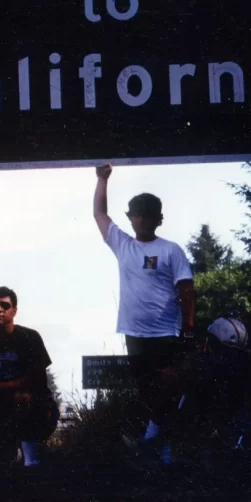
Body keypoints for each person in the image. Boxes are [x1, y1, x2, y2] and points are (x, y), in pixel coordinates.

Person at [93, 163, 196, 462]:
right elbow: (100, 214)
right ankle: (165, 452)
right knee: (151, 394)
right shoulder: (122, 244)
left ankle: (153, 440)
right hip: (134, 334)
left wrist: (188, 327)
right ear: (130, 218)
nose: (141, 219)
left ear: (158, 219)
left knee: (168, 385)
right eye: (136, 214)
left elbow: (186, 290)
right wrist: (102, 180)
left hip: (167, 332)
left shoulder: (171, 250)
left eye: (148, 214)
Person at [0, 286, 58, 467]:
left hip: (28, 404)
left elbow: (37, 379)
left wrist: (2, 387)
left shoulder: (30, 337)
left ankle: (31, 461)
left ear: (14, 311)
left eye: (4, 305)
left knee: (24, 399)